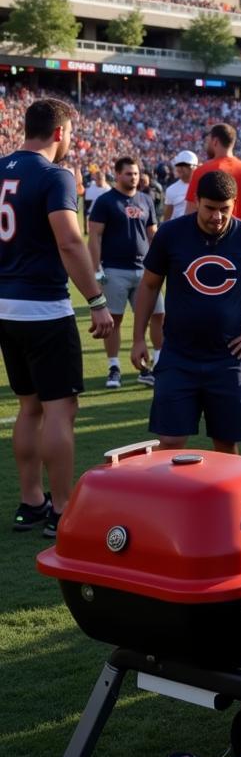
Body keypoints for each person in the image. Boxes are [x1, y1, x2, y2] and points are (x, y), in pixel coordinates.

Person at [2, 98, 114, 537]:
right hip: (43, 308)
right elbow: (70, 242)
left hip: (5, 306)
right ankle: (62, 508)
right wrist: (96, 300)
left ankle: (31, 501)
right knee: (59, 409)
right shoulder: (55, 175)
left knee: (28, 408)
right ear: (61, 133)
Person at [130, 171, 241, 455]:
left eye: (225, 209)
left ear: (234, 205)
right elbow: (150, 285)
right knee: (169, 442)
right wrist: (138, 338)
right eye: (210, 208)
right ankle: (173, 500)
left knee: (226, 444)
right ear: (197, 202)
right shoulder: (171, 233)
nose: (217, 217)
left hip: (228, 358)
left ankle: (223, 502)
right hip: (178, 355)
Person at [185, 123, 241, 401]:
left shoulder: (204, 170)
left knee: (204, 315)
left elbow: (190, 216)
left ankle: (203, 374)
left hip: (206, 256)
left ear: (215, 140)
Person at [88, 156, 164, 389]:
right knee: (114, 320)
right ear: (117, 174)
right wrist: (96, 268)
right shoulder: (105, 201)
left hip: (145, 270)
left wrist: (160, 264)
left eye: (136, 173)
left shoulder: (145, 199)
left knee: (159, 315)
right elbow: (95, 236)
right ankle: (114, 367)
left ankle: (158, 364)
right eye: (129, 173)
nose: (134, 177)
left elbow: (153, 234)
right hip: (114, 268)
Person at [163, 150, 198, 222]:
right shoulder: (171, 190)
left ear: (194, 167)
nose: (179, 169)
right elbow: (167, 218)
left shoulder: (203, 186)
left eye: (184, 166)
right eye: (178, 165)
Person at [82, 166, 109, 236]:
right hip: (92, 214)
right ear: (95, 179)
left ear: (104, 179)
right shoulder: (90, 186)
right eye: (98, 178)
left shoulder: (108, 190)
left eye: (101, 178)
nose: (99, 180)